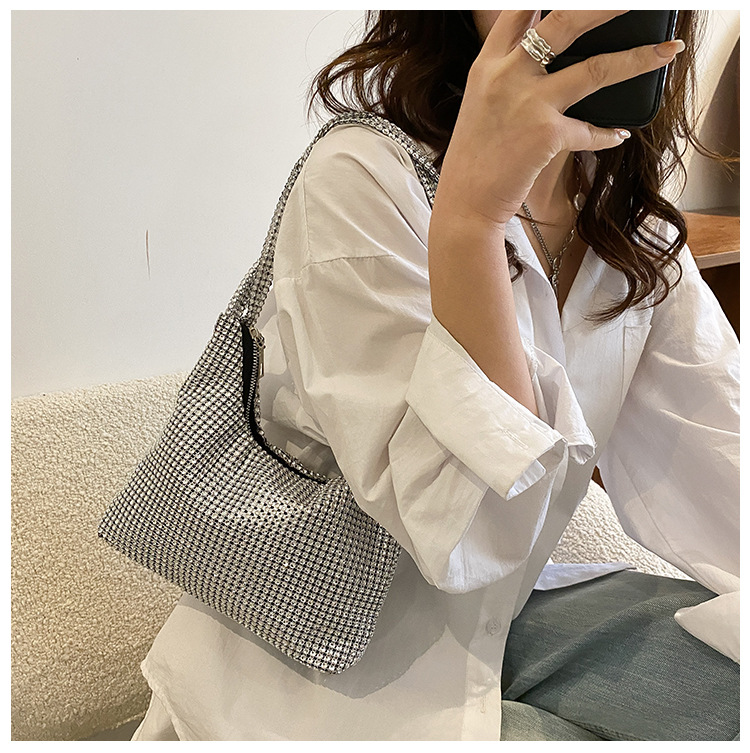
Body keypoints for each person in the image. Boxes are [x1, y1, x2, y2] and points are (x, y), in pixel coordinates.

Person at [131, 10, 739, 741]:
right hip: (316, 672)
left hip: (506, 619)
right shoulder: (362, 179)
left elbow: (727, 467)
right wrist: (473, 223)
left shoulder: (629, 232)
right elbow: (464, 533)